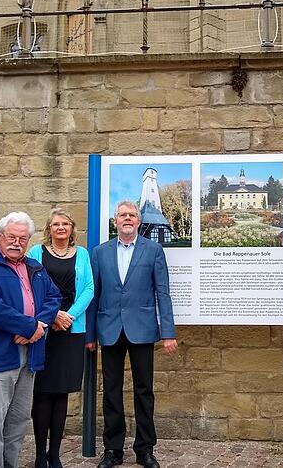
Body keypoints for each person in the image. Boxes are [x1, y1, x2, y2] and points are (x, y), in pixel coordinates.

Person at [86, 200, 178, 468]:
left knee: (144, 390)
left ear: (139, 221)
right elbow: (94, 295)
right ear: (116, 221)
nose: (127, 219)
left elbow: (163, 292)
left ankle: (145, 448)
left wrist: (168, 332)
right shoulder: (100, 252)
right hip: (110, 329)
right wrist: (90, 334)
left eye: (132, 215)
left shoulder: (153, 250)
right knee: (111, 391)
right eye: (122, 215)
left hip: (142, 329)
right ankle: (113, 449)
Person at [0, 211, 61, 468]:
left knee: (18, 421)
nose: (17, 242)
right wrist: (28, 326)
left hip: (29, 354)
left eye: (22, 238)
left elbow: (54, 297)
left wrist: (38, 326)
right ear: (0, 236)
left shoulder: (35, 267)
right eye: (11, 236)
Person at [26, 209, 94, 468]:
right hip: (44, 329)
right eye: (56, 224)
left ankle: (55, 455)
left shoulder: (83, 254)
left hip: (71, 330)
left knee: (61, 393)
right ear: (49, 228)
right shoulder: (35, 253)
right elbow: (32, 288)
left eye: (65, 223)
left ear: (72, 228)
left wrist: (70, 316)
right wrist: (53, 316)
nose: (61, 227)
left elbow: (89, 289)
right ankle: (39, 455)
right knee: (42, 393)